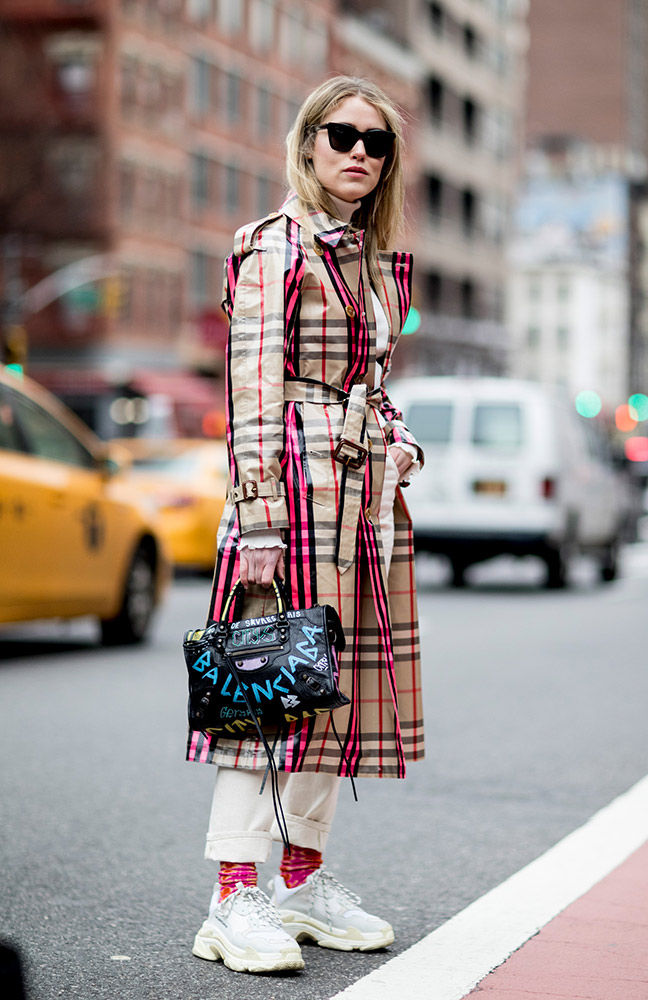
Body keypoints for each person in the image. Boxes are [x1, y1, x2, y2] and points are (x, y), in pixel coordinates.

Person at [189, 75, 425, 975]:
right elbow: (251, 395)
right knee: (263, 689)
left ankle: (299, 880)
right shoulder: (272, 249)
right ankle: (231, 898)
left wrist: (398, 447)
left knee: (335, 699)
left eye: (377, 142)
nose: (358, 152)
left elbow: (372, 389)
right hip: (287, 496)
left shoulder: (370, 261)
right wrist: (254, 521)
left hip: (360, 505)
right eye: (341, 135)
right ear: (308, 141)